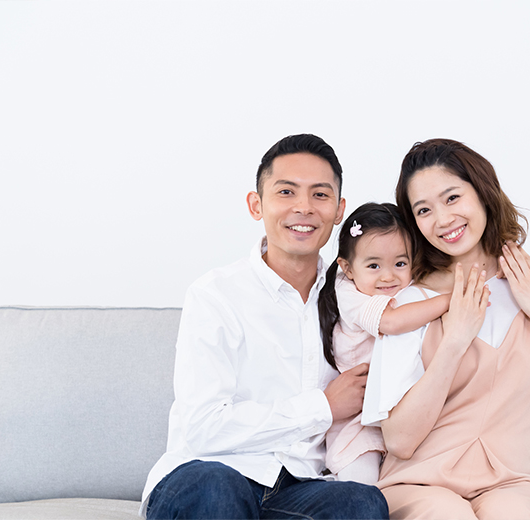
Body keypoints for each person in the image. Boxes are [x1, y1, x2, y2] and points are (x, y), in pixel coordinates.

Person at [141, 134, 389, 520]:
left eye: (320, 195)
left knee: (363, 503)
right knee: (217, 488)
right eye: (286, 192)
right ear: (256, 205)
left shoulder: (356, 298)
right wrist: (322, 407)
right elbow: (204, 428)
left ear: (339, 210)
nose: (304, 207)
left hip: (300, 488)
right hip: (209, 475)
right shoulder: (215, 294)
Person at [362, 138, 530, 520]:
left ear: (482, 193)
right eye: (424, 210)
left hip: (516, 485)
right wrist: (454, 342)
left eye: (452, 198)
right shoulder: (408, 305)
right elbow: (400, 441)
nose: (442, 219)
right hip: (420, 484)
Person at [317, 202, 450, 484]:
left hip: (400, 413)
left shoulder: (408, 288)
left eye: (400, 264)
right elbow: (391, 322)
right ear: (347, 268)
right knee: (362, 487)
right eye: (374, 266)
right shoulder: (348, 292)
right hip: (358, 420)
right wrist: (452, 300)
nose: (388, 276)